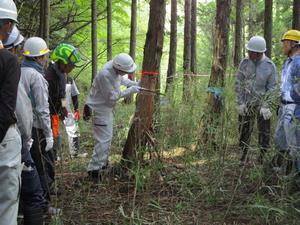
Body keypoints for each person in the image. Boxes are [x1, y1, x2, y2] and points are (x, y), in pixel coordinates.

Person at [84, 53, 141, 179]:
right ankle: (94, 170)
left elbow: (122, 80)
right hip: (100, 110)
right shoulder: (105, 74)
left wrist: (134, 83)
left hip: (106, 109)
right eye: (124, 71)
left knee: (107, 139)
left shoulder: (115, 68)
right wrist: (131, 91)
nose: (124, 73)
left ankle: (102, 165)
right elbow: (112, 97)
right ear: (118, 68)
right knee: (103, 140)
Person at [19, 37, 55, 201]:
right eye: (45, 56)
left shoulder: (18, 70)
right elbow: (42, 109)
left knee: (24, 166)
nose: (46, 59)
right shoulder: (37, 77)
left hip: (19, 126)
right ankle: (43, 202)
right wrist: (48, 134)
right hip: (36, 128)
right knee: (41, 166)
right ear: (38, 57)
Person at [235, 36, 277, 166]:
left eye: (251, 51)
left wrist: (266, 105)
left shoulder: (270, 66)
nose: (248, 53)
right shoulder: (245, 63)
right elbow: (238, 83)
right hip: (247, 104)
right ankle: (243, 156)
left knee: (264, 132)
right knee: (244, 131)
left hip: (262, 105)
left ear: (259, 53)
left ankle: (262, 158)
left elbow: (272, 88)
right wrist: (240, 102)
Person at [0, 1, 22, 225]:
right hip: (4, 141)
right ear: (7, 25)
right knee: (6, 206)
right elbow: (7, 111)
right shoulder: (8, 61)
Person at [45, 43, 84, 159]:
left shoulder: (62, 74)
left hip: (58, 111)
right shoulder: (49, 76)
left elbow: (62, 94)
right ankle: (53, 157)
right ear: (62, 62)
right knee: (55, 136)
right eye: (71, 65)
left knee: (72, 129)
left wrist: (64, 108)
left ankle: (74, 153)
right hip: (50, 114)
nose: (73, 68)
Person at [273, 30, 300, 178]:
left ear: (293, 44)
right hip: (284, 106)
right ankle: (284, 166)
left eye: (285, 43)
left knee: (294, 142)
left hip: (294, 106)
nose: (283, 46)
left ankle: (296, 175)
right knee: (280, 138)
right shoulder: (288, 62)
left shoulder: (299, 63)